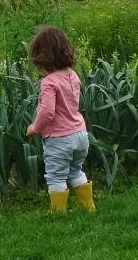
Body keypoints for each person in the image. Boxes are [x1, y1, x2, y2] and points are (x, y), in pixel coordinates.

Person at [25, 25, 93, 213]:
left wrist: (34, 128)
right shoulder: (73, 76)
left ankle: (58, 215)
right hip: (80, 134)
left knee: (56, 176)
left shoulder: (49, 82)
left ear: (43, 57)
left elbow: (47, 112)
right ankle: (88, 208)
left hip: (60, 139)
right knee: (75, 171)